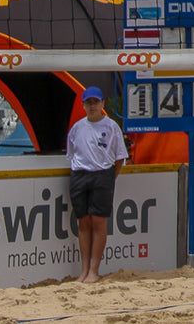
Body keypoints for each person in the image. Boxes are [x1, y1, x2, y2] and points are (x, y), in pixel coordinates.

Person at [65, 86, 128, 283]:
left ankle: (94, 270)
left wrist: (110, 178)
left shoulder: (111, 127)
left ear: (102, 104)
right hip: (80, 175)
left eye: (95, 102)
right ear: (83, 105)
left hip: (102, 174)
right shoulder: (77, 128)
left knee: (99, 223)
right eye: (88, 102)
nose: (92, 106)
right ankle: (84, 270)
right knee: (83, 223)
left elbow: (120, 157)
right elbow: (72, 154)